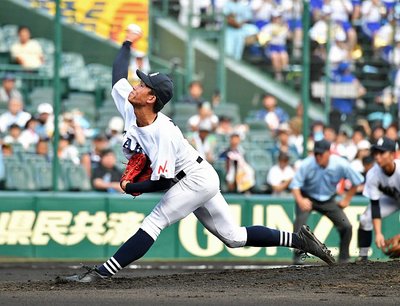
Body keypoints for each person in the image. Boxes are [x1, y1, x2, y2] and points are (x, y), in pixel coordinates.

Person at [65, 34, 335, 282]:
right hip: (198, 175)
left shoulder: (164, 133)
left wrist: (130, 187)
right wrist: (126, 44)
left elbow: (164, 182)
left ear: (151, 98)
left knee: (155, 221)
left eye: (143, 83)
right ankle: (300, 241)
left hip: (193, 180)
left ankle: (101, 273)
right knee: (234, 237)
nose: (136, 84)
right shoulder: (130, 104)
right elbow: (117, 76)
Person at [290, 139, 364, 264]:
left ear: (328, 153)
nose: (318, 157)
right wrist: (301, 200)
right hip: (307, 197)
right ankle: (298, 259)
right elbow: (295, 185)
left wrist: (347, 199)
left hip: (328, 199)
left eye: (321, 154)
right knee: (299, 227)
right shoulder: (307, 163)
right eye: (316, 154)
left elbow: (357, 181)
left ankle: (344, 258)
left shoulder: (340, 164)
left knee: (346, 226)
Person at [357, 137, 400, 261]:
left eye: (382, 153)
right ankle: (363, 256)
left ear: (392, 154)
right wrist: (378, 233)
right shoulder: (373, 174)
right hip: (392, 200)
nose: (377, 156)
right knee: (365, 218)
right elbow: (375, 205)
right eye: (376, 153)